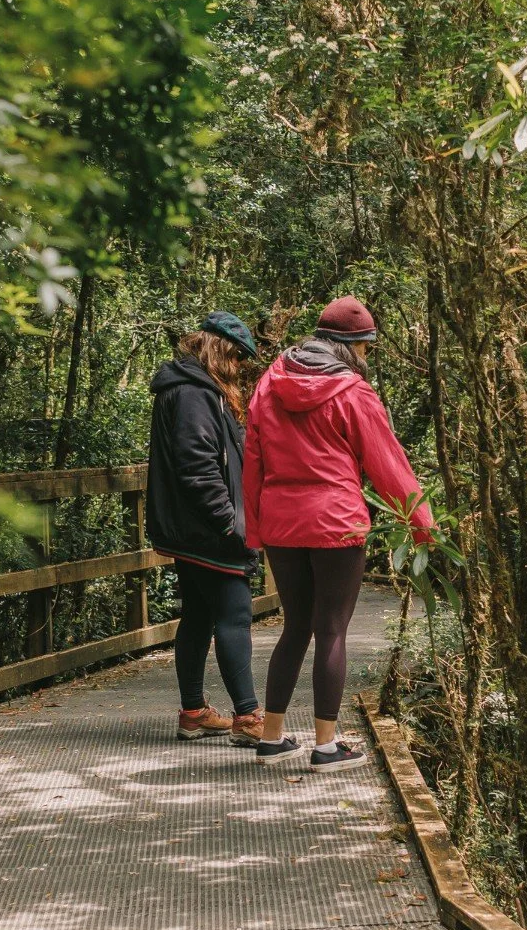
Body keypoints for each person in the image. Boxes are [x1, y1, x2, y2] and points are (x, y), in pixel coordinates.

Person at [243, 296, 433, 772]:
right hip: (336, 520)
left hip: (281, 520)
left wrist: (254, 528)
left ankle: (272, 738)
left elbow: (252, 462)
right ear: (354, 346)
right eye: (367, 348)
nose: (368, 357)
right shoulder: (353, 391)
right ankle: (326, 747)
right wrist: (423, 527)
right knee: (330, 629)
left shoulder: (270, 382)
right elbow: (387, 464)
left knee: (295, 627)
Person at [146, 312, 264, 747]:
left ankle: (193, 712)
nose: (238, 368)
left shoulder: (192, 390)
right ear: (216, 349)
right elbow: (196, 467)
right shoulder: (195, 394)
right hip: (207, 531)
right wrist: (231, 524)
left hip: (190, 529)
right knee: (235, 613)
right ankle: (249, 717)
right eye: (235, 356)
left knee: (197, 613)